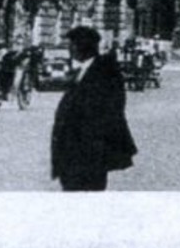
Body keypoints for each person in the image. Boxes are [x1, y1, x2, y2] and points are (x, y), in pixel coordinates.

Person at [51, 25, 138, 191]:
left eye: (72, 44)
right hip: (75, 154)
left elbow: (109, 112)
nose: (69, 49)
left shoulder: (105, 72)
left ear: (81, 46)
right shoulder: (86, 69)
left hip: (88, 155)